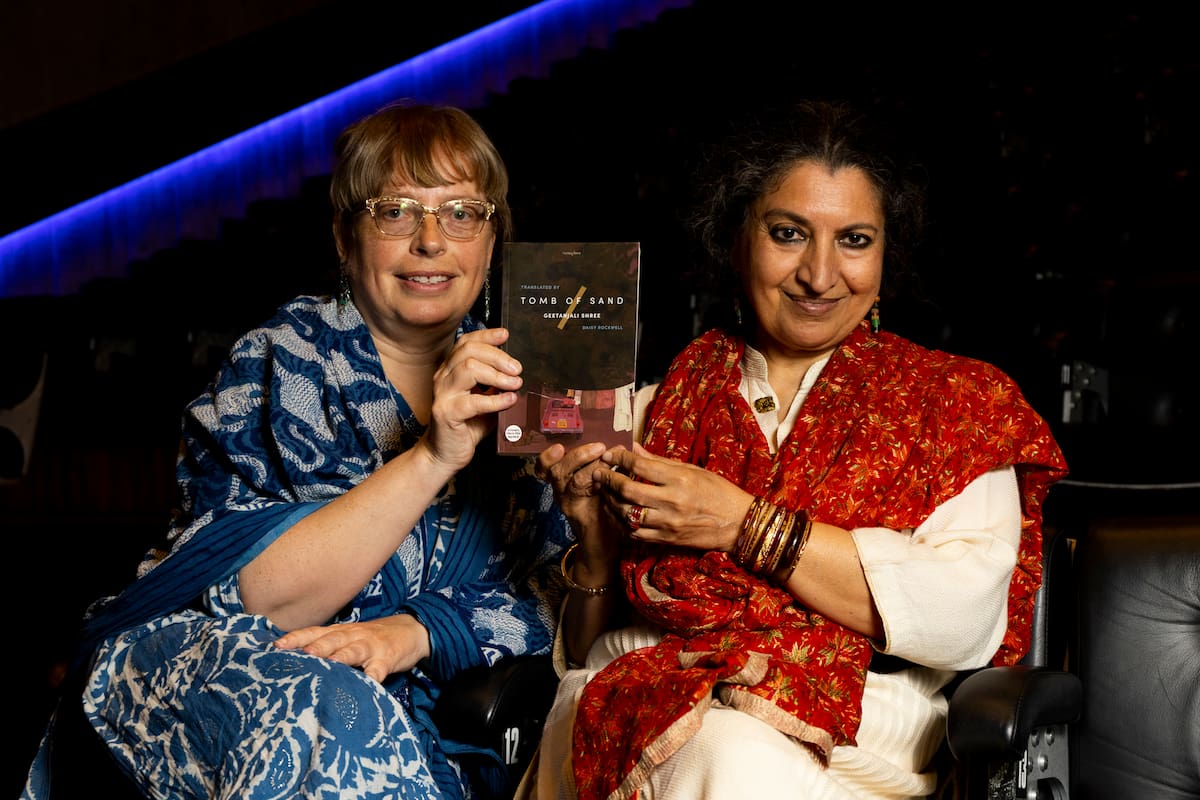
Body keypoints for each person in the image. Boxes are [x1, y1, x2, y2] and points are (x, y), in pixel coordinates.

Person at [22, 100, 572, 800]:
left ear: (493, 242)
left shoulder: (536, 380)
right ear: (345, 238)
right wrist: (433, 454)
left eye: (461, 212)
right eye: (395, 210)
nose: (431, 239)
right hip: (245, 675)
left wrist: (420, 629)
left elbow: (557, 602)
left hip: (428, 701)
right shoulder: (282, 363)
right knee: (329, 710)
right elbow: (259, 597)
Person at [528, 99, 1068, 800]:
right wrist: (596, 544)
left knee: (727, 753)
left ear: (886, 253)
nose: (820, 274)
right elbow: (586, 637)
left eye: (854, 240)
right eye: (788, 234)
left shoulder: (957, 408)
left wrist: (743, 525)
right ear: (736, 239)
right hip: (621, 706)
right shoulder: (650, 410)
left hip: (844, 750)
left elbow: (962, 621)